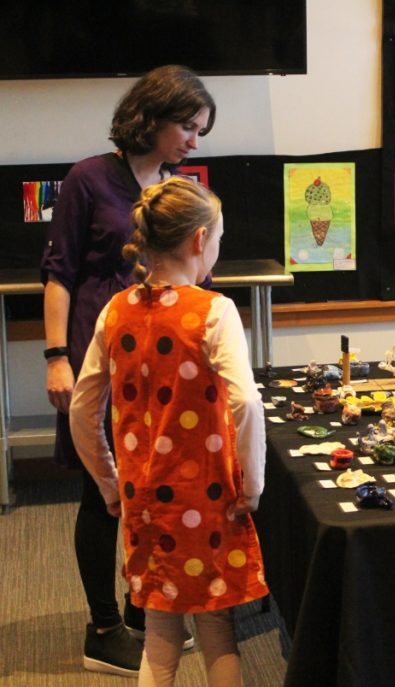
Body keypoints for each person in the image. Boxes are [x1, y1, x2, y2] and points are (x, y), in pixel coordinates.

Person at [41, 64, 216, 675]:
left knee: (158, 486)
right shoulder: (89, 178)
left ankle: (146, 611)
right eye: (189, 127)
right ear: (155, 117)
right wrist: (56, 357)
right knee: (103, 493)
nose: (195, 140)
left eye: (200, 130)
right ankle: (103, 627)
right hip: (101, 357)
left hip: (163, 371)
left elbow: (198, 280)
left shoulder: (175, 187)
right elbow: (59, 273)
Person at [69, 176, 269, 687]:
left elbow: (82, 407)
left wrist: (109, 484)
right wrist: (252, 483)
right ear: (199, 240)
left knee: (159, 636)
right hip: (209, 499)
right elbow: (245, 400)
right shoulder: (213, 311)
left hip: (145, 502)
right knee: (217, 630)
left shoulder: (116, 310)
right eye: (218, 240)